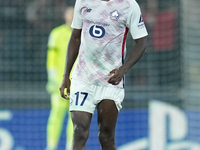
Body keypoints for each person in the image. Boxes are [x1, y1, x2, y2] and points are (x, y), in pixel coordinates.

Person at [60, 0, 148, 149]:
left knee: (106, 136)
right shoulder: (83, 2)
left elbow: (142, 42)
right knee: (79, 131)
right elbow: (75, 37)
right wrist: (66, 75)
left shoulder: (129, 5)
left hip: (110, 81)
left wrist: (123, 69)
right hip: (83, 78)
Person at [45, 7, 74, 150]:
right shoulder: (56, 33)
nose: (72, 15)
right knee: (56, 115)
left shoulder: (82, 34)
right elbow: (51, 58)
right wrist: (51, 78)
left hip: (77, 84)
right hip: (59, 83)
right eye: (70, 12)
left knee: (74, 118)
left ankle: (71, 147)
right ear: (64, 15)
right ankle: (51, 146)